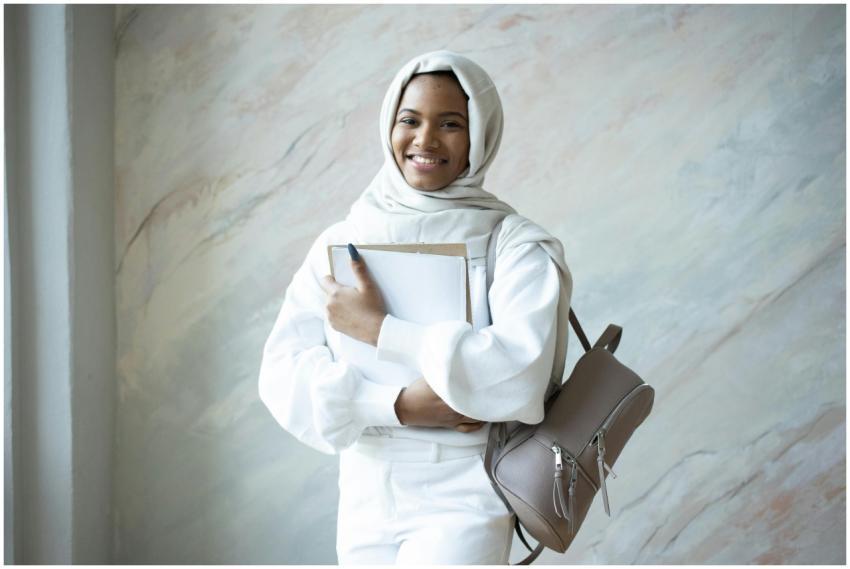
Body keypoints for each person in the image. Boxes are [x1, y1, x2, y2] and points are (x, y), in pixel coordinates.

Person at [258, 50, 573, 565]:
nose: (425, 139)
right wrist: (398, 406)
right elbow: (281, 374)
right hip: (365, 490)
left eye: (451, 123)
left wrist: (382, 330)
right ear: (389, 126)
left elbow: (519, 373)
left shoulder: (513, 244)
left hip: (468, 491)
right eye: (410, 120)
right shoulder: (344, 239)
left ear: (480, 136)